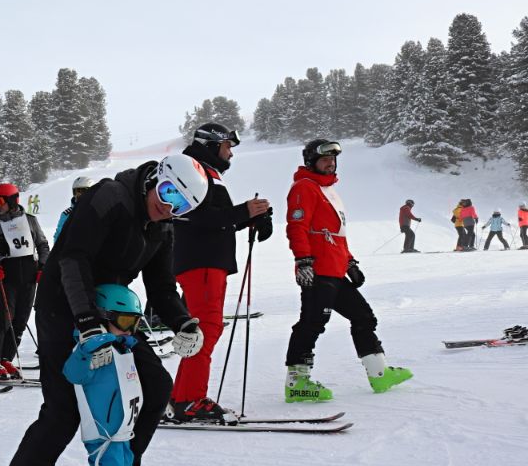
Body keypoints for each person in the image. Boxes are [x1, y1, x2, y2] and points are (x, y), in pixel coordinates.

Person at [0, 155, 209, 466]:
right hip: (63, 308)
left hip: (112, 314)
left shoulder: (162, 224)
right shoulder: (110, 197)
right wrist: (86, 321)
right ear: (156, 178)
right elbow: (72, 259)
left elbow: (160, 285)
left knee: (155, 385)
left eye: (183, 205)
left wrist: (184, 321)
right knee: (61, 412)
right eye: (169, 192)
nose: (169, 206)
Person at [283, 139, 412, 402]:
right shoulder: (304, 187)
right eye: (324, 160)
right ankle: (297, 382)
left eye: (333, 160)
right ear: (311, 161)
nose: (330, 164)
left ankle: (379, 374)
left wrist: (349, 262)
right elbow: (296, 227)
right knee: (312, 323)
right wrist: (303, 261)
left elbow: (337, 235)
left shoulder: (327, 190)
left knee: (363, 317)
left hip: (335, 269)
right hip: (318, 270)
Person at [169, 123, 273, 423]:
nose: (231, 154)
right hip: (200, 262)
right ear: (212, 145)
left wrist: (250, 218)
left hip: (207, 261)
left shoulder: (207, 173)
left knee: (205, 328)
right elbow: (190, 216)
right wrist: (243, 212)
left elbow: (214, 220)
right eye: (228, 147)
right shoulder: (193, 169)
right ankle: (189, 399)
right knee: (207, 328)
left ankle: (182, 396)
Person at [64, 284, 162, 466]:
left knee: (123, 464)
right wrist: (86, 350)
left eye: (135, 323)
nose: (130, 329)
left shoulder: (123, 347)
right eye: (125, 321)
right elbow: (73, 373)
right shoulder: (91, 349)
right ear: (103, 317)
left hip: (122, 426)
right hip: (102, 429)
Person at [0, 183, 50, 380]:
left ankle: (5, 358)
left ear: (12, 200)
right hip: (7, 277)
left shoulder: (30, 220)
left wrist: (43, 267)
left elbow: (43, 245)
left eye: (0, 200)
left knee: (20, 321)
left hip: (29, 276)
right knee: (3, 321)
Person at [54, 176, 96, 240]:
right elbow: (59, 237)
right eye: (75, 191)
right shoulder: (67, 215)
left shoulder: (99, 212)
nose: (78, 194)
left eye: (83, 190)